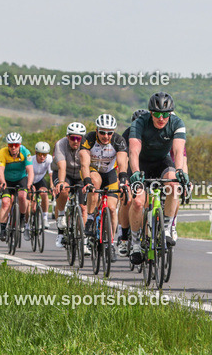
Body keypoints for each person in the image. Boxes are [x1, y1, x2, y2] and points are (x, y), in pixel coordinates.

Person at [127, 92, 188, 264]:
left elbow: (178, 151)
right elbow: (134, 151)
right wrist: (136, 172)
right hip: (142, 163)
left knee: (173, 186)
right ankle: (135, 241)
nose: (161, 118)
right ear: (150, 112)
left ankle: (167, 228)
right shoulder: (140, 123)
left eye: (165, 114)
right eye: (157, 114)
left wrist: (180, 172)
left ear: (170, 113)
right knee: (138, 202)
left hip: (163, 161)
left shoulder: (177, 123)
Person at [80, 113, 127, 254]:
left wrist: (123, 179)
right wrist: (87, 181)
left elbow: (123, 162)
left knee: (112, 209)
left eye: (109, 133)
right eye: (102, 132)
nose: (106, 136)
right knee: (94, 183)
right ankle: (89, 218)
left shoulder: (118, 141)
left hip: (110, 172)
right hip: (93, 171)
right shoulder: (88, 139)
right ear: (96, 130)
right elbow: (84, 163)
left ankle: (111, 242)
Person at [116, 108, 149, 256]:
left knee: (146, 202)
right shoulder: (128, 134)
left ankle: (148, 234)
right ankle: (123, 237)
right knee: (127, 199)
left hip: (146, 168)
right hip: (130, 169)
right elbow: (123, 157)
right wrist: (122, 178)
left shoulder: (151, 132)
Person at [51, 122, 88, 251]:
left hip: (80, 175)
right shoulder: (60, 144)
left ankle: (82, 238)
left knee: (83, 208)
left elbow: (86, 167)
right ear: (67, 137)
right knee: (64, 189)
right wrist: (61, 182)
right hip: (64, 173)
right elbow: (62, 166)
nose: (76, 141)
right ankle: (61, 217)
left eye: (79, 138)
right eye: (73, 138)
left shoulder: (87, 146)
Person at [0, 132, 33, 242]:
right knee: (5, 202)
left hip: (21, 179)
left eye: (16, 145)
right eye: (11, 145)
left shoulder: (26, 152)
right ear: (8, 145)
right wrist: (2, 182)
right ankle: (3, 229)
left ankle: (22, 218)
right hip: (7, 180)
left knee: (22, 197)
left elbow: (30, 170)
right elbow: (0, 169)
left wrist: (29, 184)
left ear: (19, 144)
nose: (13, 147)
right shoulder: (3, 152)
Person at [25, 141, 54, 238]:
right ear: (36, 153)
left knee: (44, 194)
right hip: (30, 180)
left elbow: (51, 175)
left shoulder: (49, 159)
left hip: (40, 180)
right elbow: (26, 174)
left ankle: (45, 218)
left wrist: (52, 186)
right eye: (40, 154)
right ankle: (28, 225)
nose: (42, 157)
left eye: (44, 154)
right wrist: (30, 185)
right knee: (30, 204)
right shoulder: (31, 160)